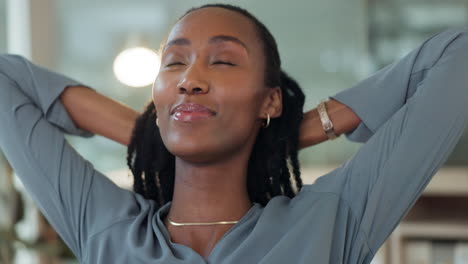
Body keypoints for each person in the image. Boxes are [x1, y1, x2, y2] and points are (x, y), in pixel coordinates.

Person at [0, 3, 467, 264]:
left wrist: (297, 132)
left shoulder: (330, 219)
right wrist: (149, 133)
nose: (190, 80)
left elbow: (457, 54)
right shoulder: (106, 227)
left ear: (270, 101)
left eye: (222, 61)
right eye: (175, 63)